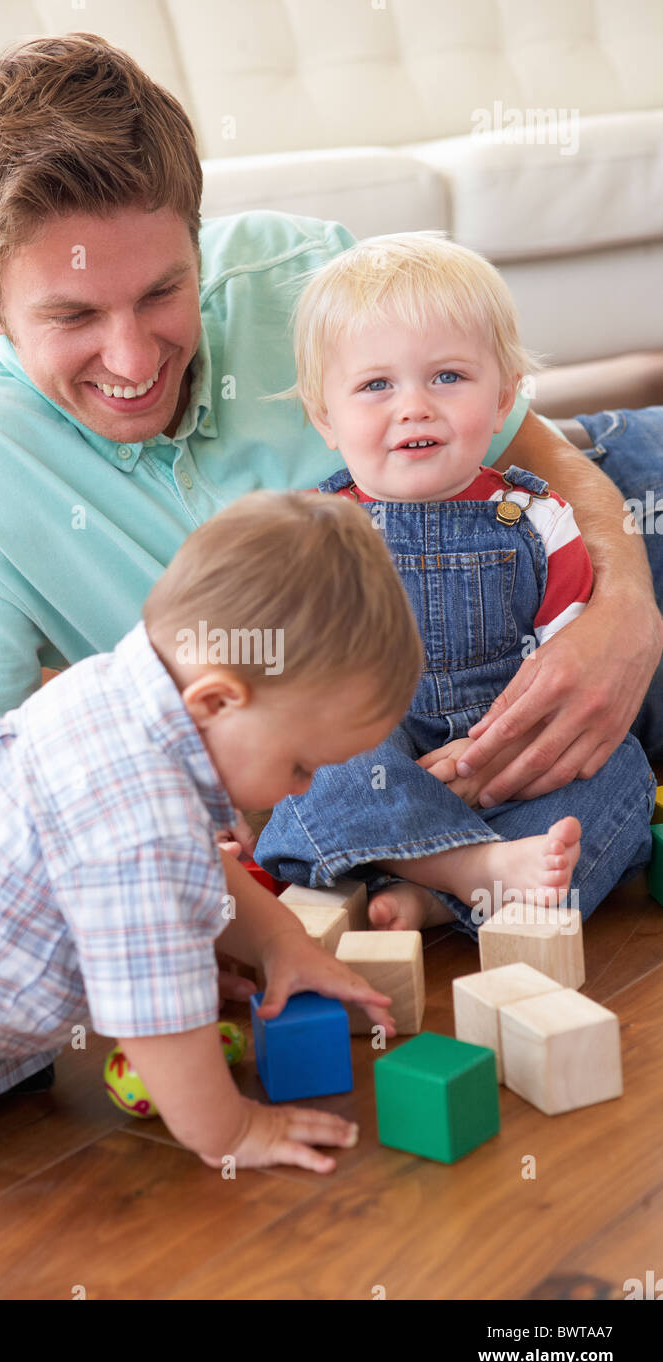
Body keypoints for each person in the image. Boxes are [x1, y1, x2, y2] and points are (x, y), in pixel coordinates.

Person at [0, 31, 663, 820]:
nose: (133, 355)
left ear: (196, 242)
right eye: (74, 315)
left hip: (608, 520)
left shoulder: (289, 272)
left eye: (161, 293)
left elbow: (530, 449)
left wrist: (625, 612)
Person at [0, 490, 420, 1168]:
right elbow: (160, 1020)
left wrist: (279, 939)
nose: (302, 788)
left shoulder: (114, 680)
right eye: (301, 765)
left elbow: (184, 860)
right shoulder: (143, 834)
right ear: (214, 701)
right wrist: (234, 1132)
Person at [254, 233, 655, 937]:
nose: (414, 406)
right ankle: (470, 873)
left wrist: (505, 747)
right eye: (377, 385)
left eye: (447, 378)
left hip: (508, 737)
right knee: (319, 762)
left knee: (620, 775)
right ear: (325, 418)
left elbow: (567, 649)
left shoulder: (539, 515)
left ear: (503, 402)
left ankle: (427, 886)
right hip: (385, 737)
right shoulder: (317, 530)